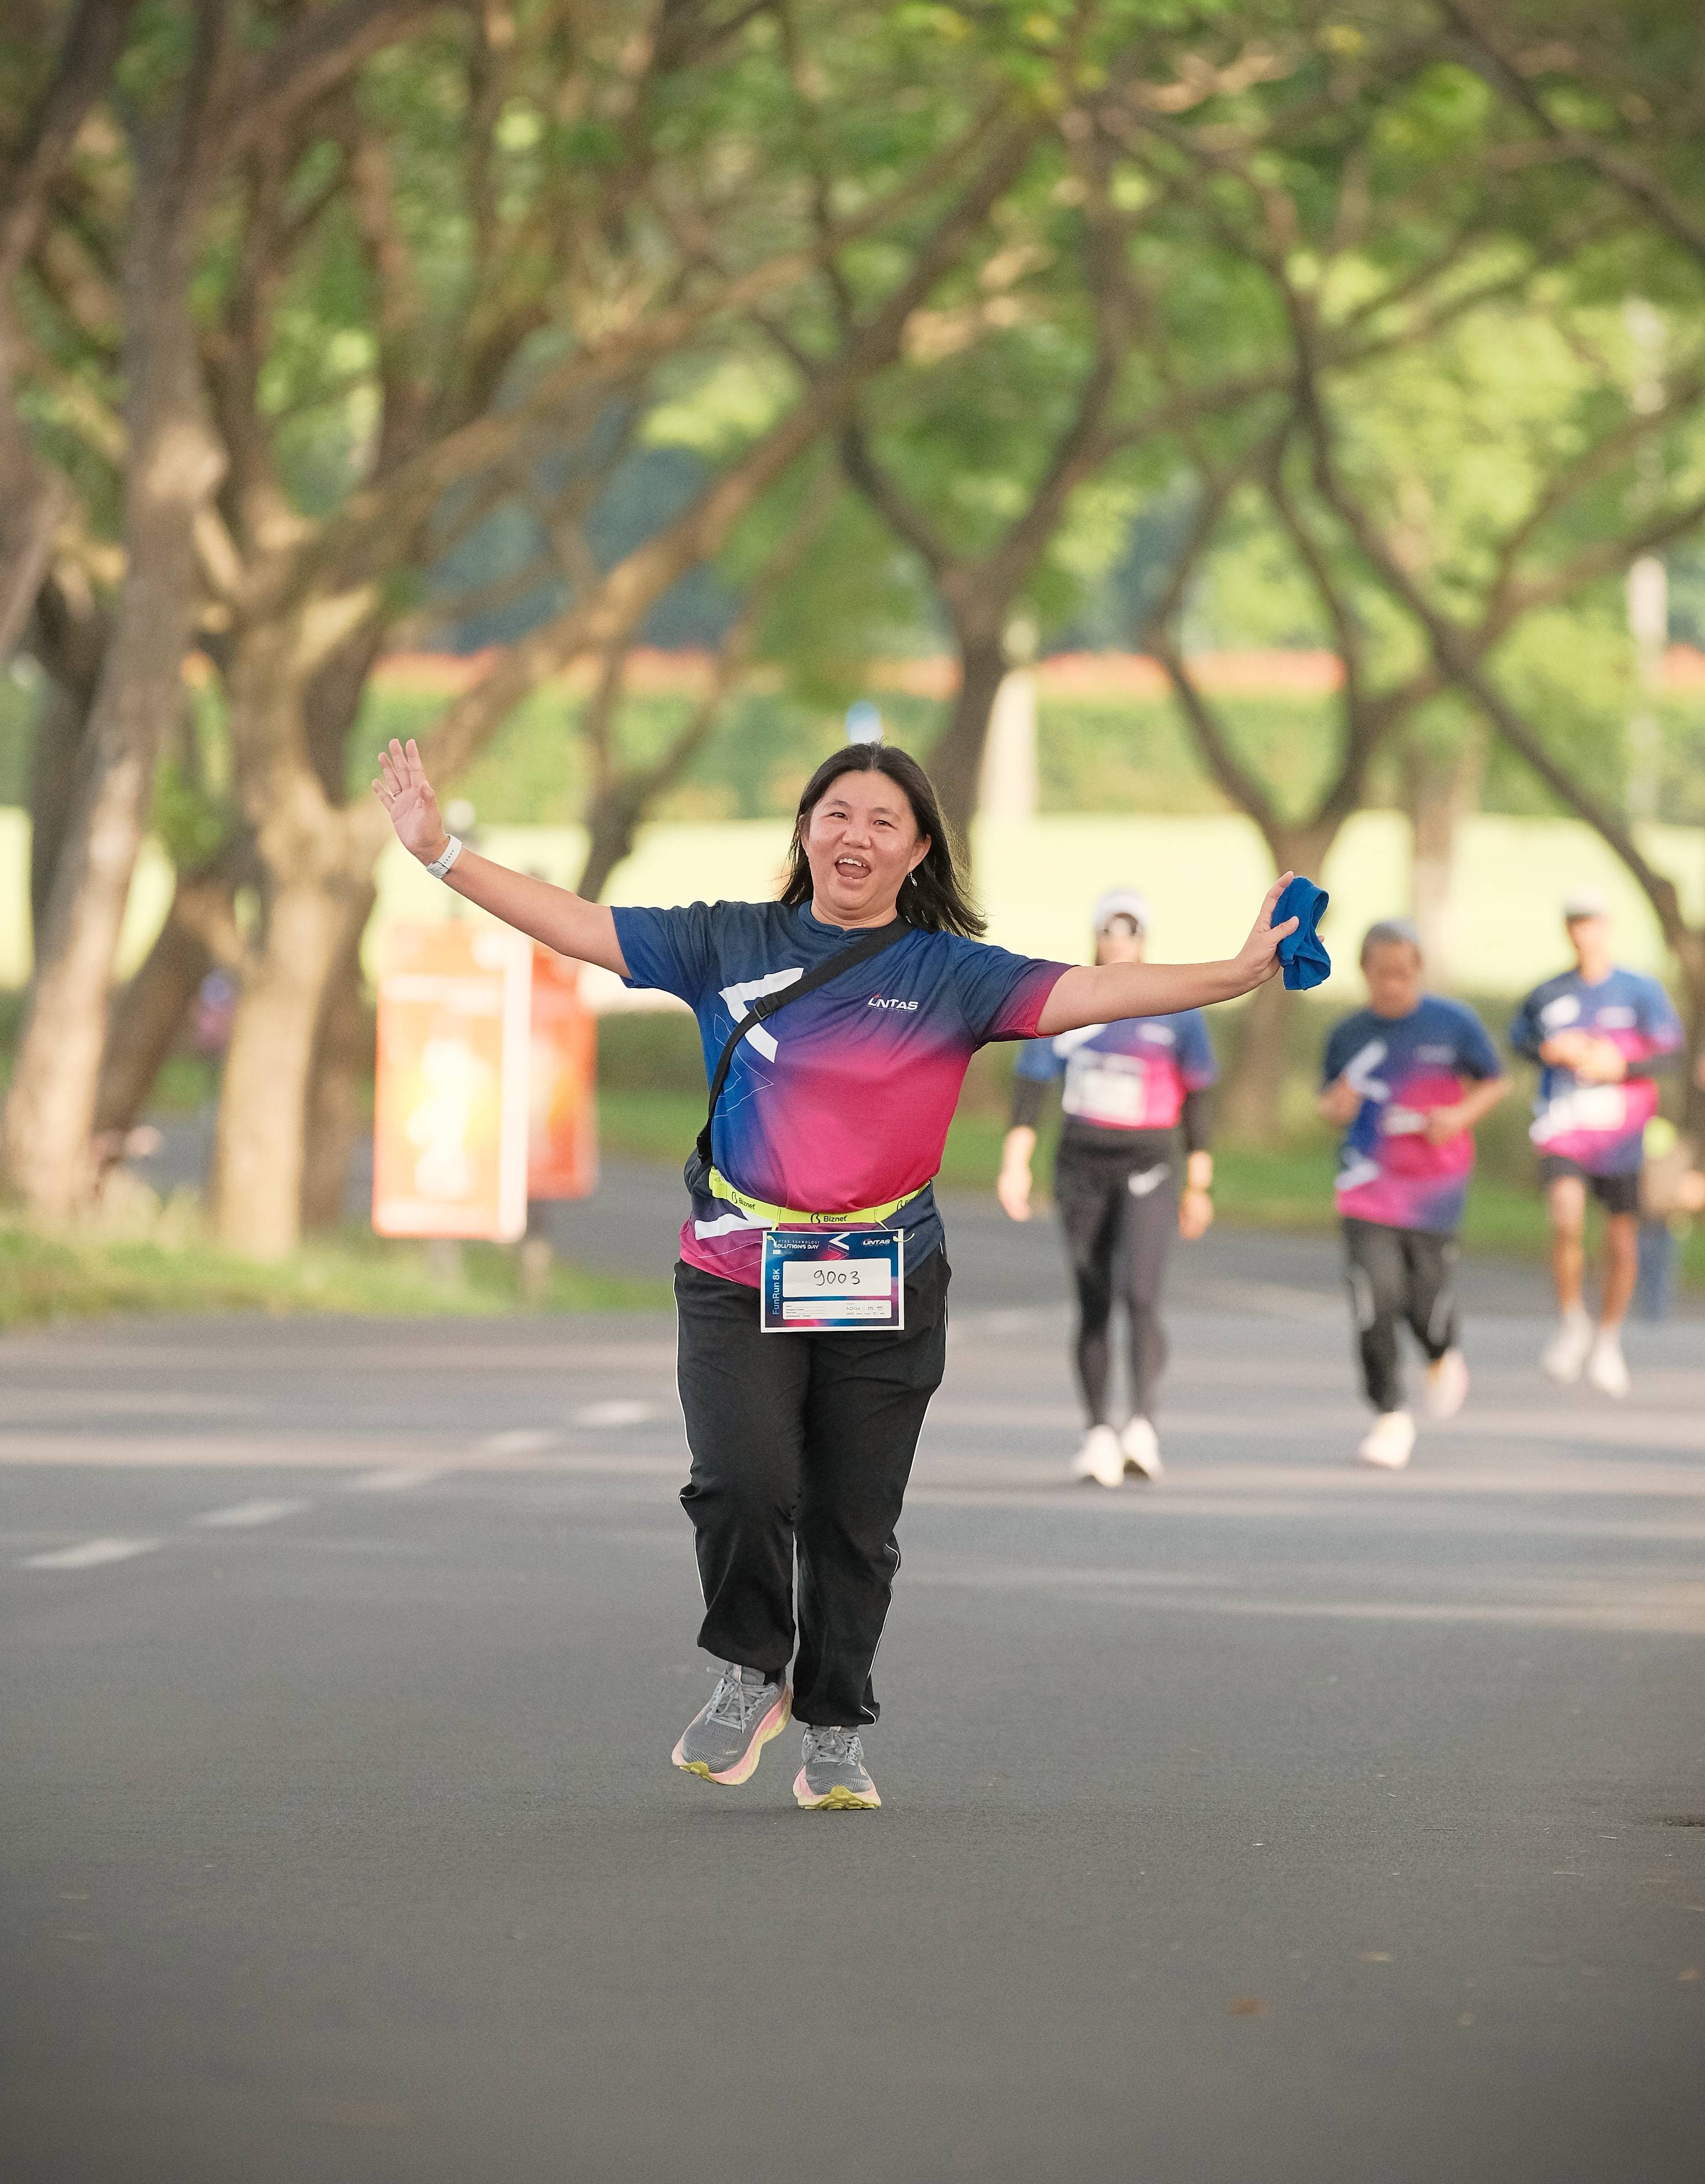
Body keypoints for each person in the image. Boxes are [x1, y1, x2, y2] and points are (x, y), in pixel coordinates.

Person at [374, 736, 1299, 1812]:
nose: (856, 836)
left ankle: (834, 1728)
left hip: (887, 1274)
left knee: (853, 1520)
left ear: (918, 851)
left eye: (883, 822)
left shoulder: (953, 974)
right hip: (735, 1265)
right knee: (740, 1481)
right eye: (837, 815)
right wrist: (439, 853)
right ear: (806, 830)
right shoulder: (724, 941)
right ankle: (750, 1668)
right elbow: (577, 924)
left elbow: (1094, 988)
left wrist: (1235, 973)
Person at [997, 889, 1217, 1487]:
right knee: (1093, 1295)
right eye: (1109, 933)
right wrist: (1015, 1164)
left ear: (1145, 940)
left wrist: (1200, 1182)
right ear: (1095, 937)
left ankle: (1141, 1426)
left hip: (1150, 1163)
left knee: (1140, 1294)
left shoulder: (1176, 1007)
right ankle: (1097, 1431)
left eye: (1130, 933)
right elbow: (1032, 1088)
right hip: (1081, 1165)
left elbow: (1199, 1097)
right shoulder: (1067, 1001)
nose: (1120, 944)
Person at [1319, 920, 1508, 1469]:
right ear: (1364, 972)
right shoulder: (1348, 1034)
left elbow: (1495, 1081)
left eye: (1402, 974)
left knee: (1426, 1304)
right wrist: (1336, 1107)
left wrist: (1459, 1116)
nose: (1392, 985)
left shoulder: (1454, 1023)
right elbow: (1329, 1103)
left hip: (1433, 1190)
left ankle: (1441, 1353)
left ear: (1418, 970)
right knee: (1374, 1300)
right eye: (1382, 974)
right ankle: (1389, 1415)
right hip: (1366, 1187)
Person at [1509, 891, 1684, 1395]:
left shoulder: (1639, 990)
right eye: (1575, 924)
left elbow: (1671, 1054)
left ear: (1607, 927)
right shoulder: (1548, 992)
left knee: (1621, 1241)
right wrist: (1549, 1050)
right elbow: (1519, 1040)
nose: (1584, 933)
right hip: (1564, 1126)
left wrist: (1620, 1066)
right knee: (1565, 1217)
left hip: (1622, 1134)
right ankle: (1572, 1321)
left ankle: (1608, 1339)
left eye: (1591, 923)